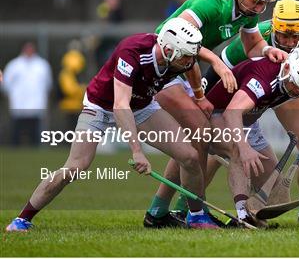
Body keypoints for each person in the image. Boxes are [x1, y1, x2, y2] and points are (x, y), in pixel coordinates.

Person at [6, 18, 219, 231]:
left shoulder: (179, 56)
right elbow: (120, 104)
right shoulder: (133, 51)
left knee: (190, 157)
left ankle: (197, 217)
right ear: (169, 49)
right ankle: (22, 220)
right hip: (101, 105)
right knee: (75, 168)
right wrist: (136, 151)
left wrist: (199, 96)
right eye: (186, 57)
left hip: (142, 106)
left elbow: (194, 66)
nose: (189, 62)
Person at [143, 0, 287, 228]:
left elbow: (252, 43)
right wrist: (217, 64)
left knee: (197, 143)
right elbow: (176, 39)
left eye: (263, 5)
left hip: (186, 70)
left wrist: (268, 52)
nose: (258, 9)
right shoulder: (211, 2)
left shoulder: (247, 9)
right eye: (255, 1)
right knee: (200, 132)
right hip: (161, 69)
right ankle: (195, 215)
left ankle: (159, 212)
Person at [201, 0, 299, 226]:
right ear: (273, 27)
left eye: (296, 36)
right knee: (220, 149)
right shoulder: (250, 42)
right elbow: (216, 73)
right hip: (247, 94)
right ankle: (189, 210)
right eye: (283, 35)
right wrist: (199, 104)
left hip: (284, 87)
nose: (289, 42)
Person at [205, 46, 299, 226]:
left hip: (248, 120)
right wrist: (245, 148)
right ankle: (242, 217)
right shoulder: (262, 81)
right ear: (287, 69)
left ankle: (252, 214)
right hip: (214, 115)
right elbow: (231, 113)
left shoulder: (297, 78)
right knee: (238, 150)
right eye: (296, 84)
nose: (298, 92)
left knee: (273, 193)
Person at [2, 42, 52, 147]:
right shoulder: (14, 65)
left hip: (36, 104)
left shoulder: (42, 65)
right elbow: (6, 84)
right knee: (17, 130)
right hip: (19, 104)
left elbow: (48, 84)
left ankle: (36, 150)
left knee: (35, 132)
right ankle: (14, 150)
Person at [58, 40, 87, 128]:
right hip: (70, 106)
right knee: (71, 128)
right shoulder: (68, 72)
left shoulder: (71, 72)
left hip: (75, 105)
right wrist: (83, 89)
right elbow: (69, 90)